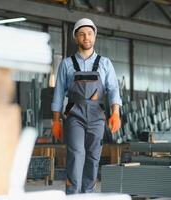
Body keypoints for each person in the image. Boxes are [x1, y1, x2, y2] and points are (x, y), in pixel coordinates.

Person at [51, 18, 122, 194]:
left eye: (90, 33)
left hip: (97, 115)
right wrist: (56, 120)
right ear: (76, 38)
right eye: (82, 34)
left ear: (95, 37)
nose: (86, 37)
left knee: (93, 157)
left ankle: (88, 194)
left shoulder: (105, 63)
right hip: (74, 114)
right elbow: (59, 93)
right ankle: (73, 195)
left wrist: (116, 113)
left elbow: (113, 89)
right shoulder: (67, 64)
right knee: (76, 154)